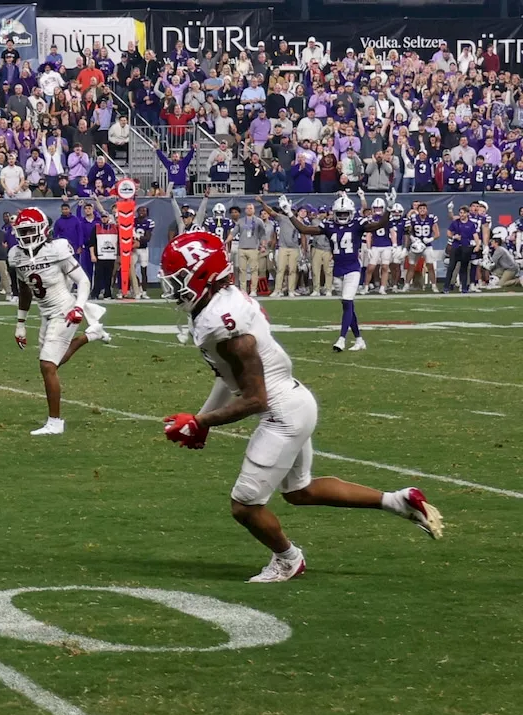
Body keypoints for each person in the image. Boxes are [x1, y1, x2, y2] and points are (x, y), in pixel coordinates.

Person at [157, 231, 443, 583]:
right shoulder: (222, 304)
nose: (173, 289)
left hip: (282, 414)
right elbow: (226, 376)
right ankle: (397, 501)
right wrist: (203, 421)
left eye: (179, 280)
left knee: (245, 505)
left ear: (204, 276)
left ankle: (287, 560)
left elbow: (254, 398)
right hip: (295, 401)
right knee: (299, 491)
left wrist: (201, 422)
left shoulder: (225, 325)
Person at [10, 208, 112, 436]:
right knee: (52, 363)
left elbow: (83, 281)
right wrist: (20, 323)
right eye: (22, 231)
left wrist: (78, 307)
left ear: (42, 230)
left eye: (29, 230)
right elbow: (25, 290)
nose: (25, 235)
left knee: (47, 365)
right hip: (45, 312)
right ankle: (91, 334)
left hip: (64, 309)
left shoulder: (56, 249)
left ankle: (55, 422)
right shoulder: (16, 255)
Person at [279, 193, 392, 352]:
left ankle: (342, 339)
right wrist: (289, 212)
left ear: (351, 213)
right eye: (340, 213)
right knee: (348, 306)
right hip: (337, 269)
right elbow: (303, 229)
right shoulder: (329, 225)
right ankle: (359, 339)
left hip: (353, 268)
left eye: (345, 213)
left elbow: (380, 224)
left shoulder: (358, 224)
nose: (343, 216)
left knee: (347, 301)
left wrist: (389, 209)